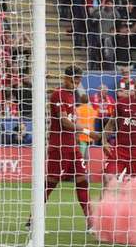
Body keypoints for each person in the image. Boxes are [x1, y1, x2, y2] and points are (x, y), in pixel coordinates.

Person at [35, 66, 96, 233]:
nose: (76, 83)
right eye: (73, 80)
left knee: (83, 180)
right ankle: (33, 219)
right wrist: (88, 132)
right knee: (51, 183)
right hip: (59, 147)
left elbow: (71, 121)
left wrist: (78, 138)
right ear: (66, 78)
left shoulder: (71, 95)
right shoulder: (58, 94)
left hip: (72, 147)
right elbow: (64, 122)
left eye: (78, 80)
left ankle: (91, 222)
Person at [75, 92, 97, 163]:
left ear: (80, 100)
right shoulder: (92, 110)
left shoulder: (77, 110)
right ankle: (85, 167)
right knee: (86, 152)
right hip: (90, 134)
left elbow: (77, 122)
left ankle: (82, 167)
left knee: (81, 153)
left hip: (82, 134)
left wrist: (77, 134)